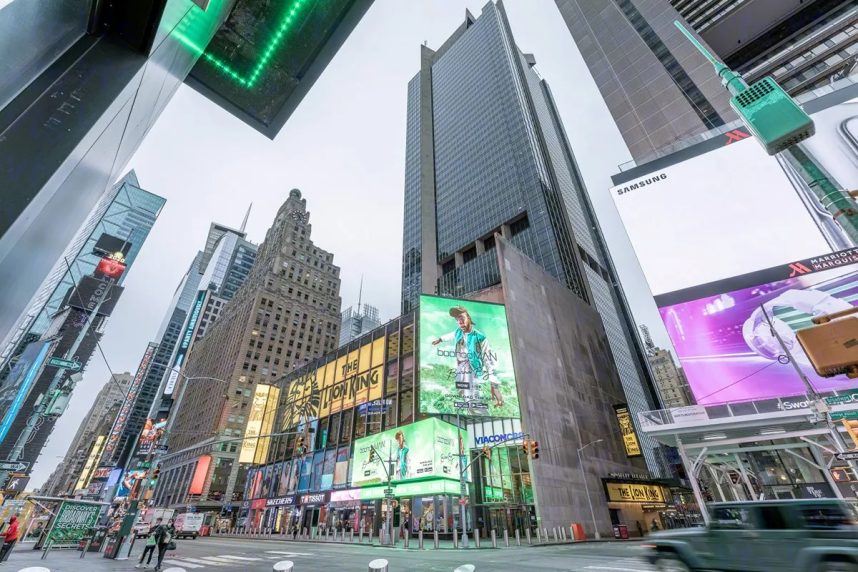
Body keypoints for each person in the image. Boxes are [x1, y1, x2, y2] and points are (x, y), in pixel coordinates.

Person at [431, 305, 503, 410]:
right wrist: (440, 339)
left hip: (472, 369)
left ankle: (479, 411)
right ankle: (473, 407)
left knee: (472, 398)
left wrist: (493, 381)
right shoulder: (458, 332)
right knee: (462, 392)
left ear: (468, 317)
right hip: (461, 368)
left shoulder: (480, 337)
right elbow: (450, 335)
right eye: (457, 319)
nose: (460, 322)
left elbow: (488, 359)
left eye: (462, 318)